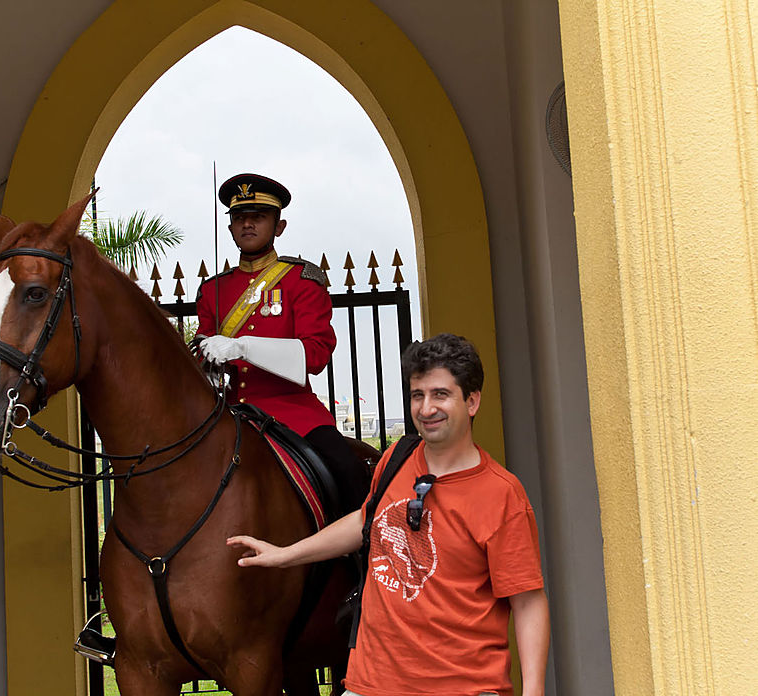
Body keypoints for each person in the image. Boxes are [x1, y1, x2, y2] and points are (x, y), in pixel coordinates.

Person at [227, 334, 550, 696]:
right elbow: (366, 521)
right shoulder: (397, 458)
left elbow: (527, 602)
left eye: (440, 394)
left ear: (472, 401)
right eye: (418, 395)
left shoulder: (501, 494)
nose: (426, 409)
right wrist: (285, 554)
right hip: (370, 685)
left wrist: (533, 690)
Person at [197, 172, 368, 512]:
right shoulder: (212, 290)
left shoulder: (301, 281)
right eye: (239, 218)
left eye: (258, 217)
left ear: (279, 226)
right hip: (228, 414)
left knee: (349, 473)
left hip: (293, 412)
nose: (247, 224)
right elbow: (203, 356)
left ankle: (364, 560)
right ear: (230, 228)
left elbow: (315, 355)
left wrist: (242, 346)